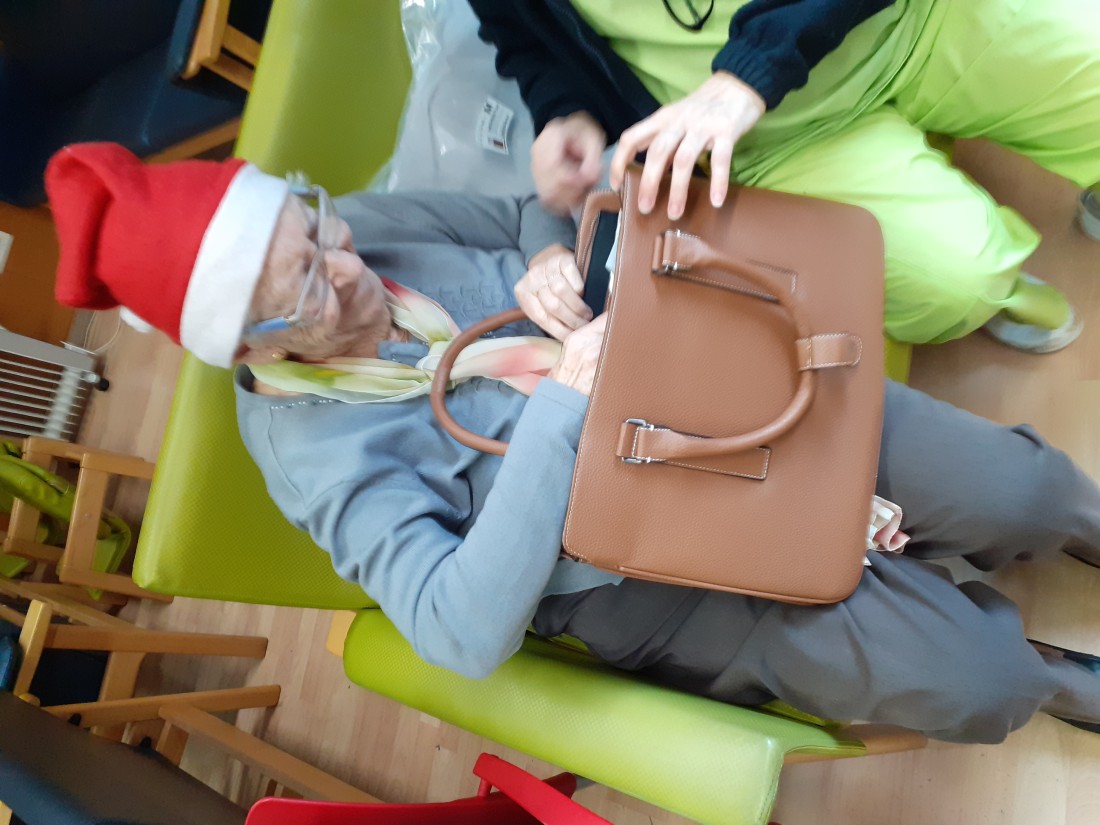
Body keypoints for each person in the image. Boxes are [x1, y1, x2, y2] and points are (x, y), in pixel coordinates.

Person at [45, 143, 1100, 744]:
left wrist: (546, 260)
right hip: (659, 579)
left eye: (318, 229)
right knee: (976, 679)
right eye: (309, 288)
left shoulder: (366, 226)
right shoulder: (314, 457)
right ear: (250, 345)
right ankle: (1042, 672)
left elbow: (521, 219)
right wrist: (561, 411)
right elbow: (459, 632)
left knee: (1028, 491)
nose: (351, 265)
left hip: (712, 381)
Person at [467, 0, 1100, 354]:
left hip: (910, 21)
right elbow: (523, 37)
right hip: (772, 141)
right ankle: (999, 289)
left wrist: (749, 73)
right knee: (955, 281)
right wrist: (564, 110)